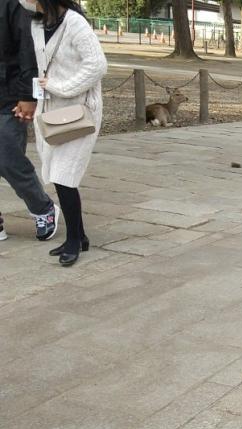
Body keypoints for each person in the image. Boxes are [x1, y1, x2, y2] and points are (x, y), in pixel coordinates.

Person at [28, 0, 105, 266]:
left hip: (80, 110)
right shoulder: (38, 22)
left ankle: (74, 239)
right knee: (57, 172)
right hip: (50, 112)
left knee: (64, 175)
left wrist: (61, 87)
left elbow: (97, 66)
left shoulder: (75, 23)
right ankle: (79, 235)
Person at [0, 0, 59, 242]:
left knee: (9, 159)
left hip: (10, 95)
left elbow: (28, 49)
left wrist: (29, 95)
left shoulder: (10, 5)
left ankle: (42, 207)